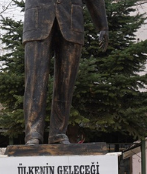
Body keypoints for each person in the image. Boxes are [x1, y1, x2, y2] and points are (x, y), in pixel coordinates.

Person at [23, 0, 108, 145]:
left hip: (71, 20)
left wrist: (102, 26)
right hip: (37, 19)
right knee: (35, 82)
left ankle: (58, 132)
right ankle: (33, 132)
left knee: (66, 83)